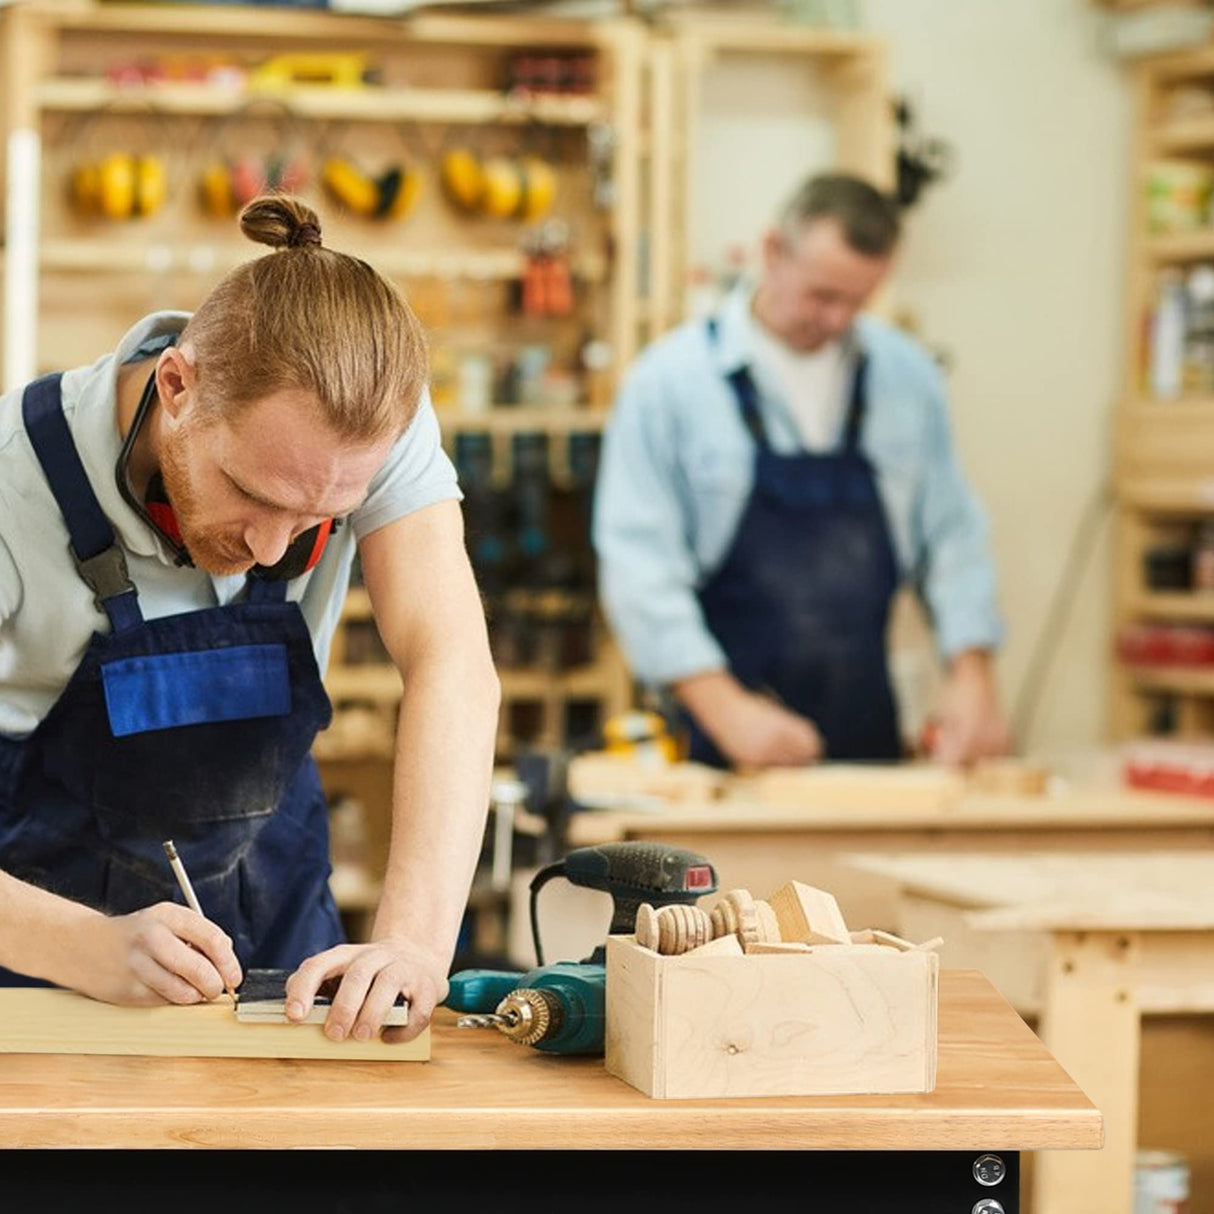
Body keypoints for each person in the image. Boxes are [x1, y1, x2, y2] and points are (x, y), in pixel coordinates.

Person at [0, 195, 500, 1044]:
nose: (274, 552)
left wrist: (414, 942)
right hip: (35, 968)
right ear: (178, 386)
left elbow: (450, 659)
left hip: (280, 933)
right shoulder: (12, 484)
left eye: (319, 521)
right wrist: (85, 948)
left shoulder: (356, 437)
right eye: (255, 497)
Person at [593, 173, 1008, 771]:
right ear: (771, 252)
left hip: (866, 734)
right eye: (821, 295)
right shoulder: (670, 384)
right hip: (714, 744)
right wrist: (724, 706)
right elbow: (639, 564)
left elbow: (952, 535)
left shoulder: (908, 379)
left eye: (857, 302)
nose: (837, 319)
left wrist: (972, 672)